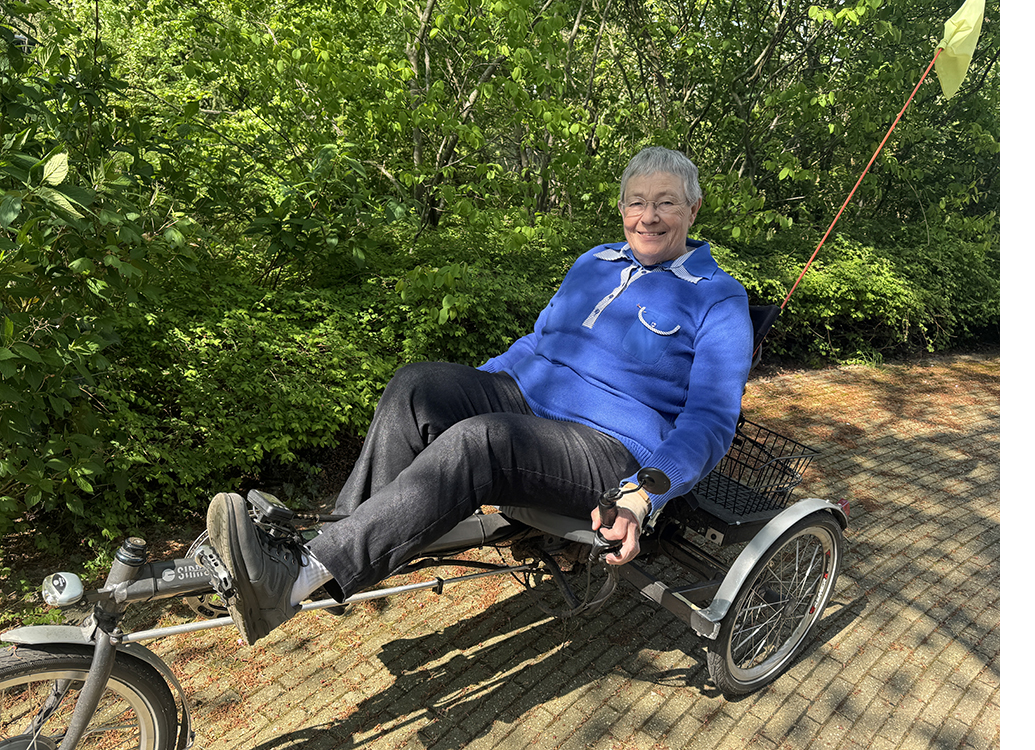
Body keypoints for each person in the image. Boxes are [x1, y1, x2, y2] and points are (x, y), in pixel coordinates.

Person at [206, 146, 754, 646]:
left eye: (665, 203)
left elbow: (710, 422)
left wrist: (643, 493)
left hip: (610, 447)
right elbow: (538, 343)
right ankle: (331, 547)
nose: (648, 216)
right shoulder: (595, 262)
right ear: (621, 208)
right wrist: (470, 389)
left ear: (693, 209)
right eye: (637, 202)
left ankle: (297, 575)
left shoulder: (719, 300)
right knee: (418, 386)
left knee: (484, 440)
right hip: (527, 398)